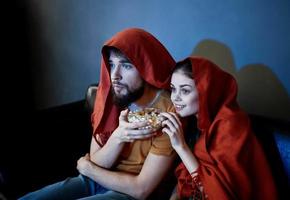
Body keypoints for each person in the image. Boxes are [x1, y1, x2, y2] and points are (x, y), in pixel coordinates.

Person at [19, 28, 176, 200]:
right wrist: (119, 136)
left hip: (127, 192)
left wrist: (88, 169)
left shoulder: (168, 111)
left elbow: (141, 190)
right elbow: (98, 161)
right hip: (95, 180)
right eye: (112, 64)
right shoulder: (110, 98)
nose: (115, 75)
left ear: (146, 66)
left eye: (126, 65)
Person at [160, 57, 278, 199]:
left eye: (185, 91)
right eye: (173, 89)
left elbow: (217, 194)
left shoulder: (231, 126)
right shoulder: (190, 120)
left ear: (206, 91)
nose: (175, 98)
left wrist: (181, 147)